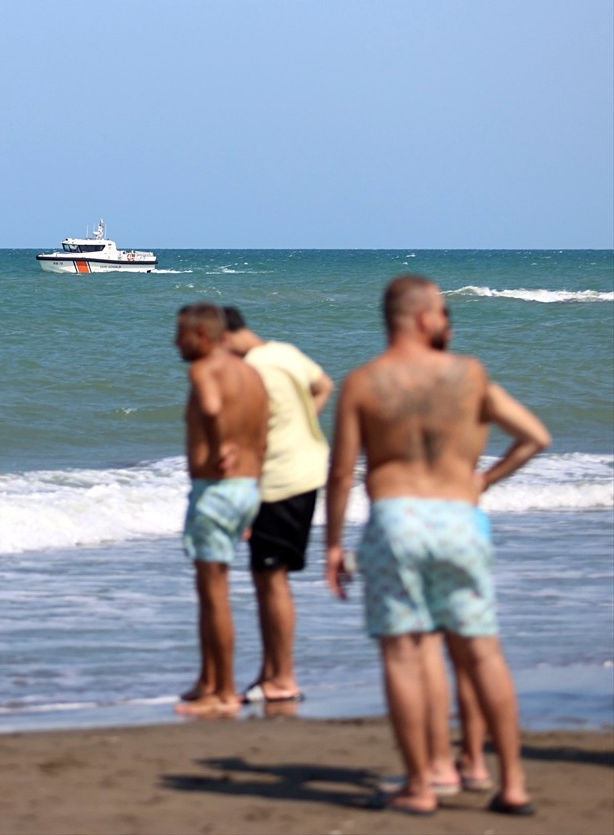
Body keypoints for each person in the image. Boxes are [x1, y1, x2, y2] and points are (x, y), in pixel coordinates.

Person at [325, 275, 550, 816]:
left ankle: (422, 785)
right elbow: (534, 438)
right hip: (458, 519)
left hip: (396, 521)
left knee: (404, 655)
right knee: (482, 651)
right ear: (425, 317)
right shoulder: (469, 374)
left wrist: (333, 544)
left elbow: (341, 474)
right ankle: (513, 784)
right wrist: (485, 480)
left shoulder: (363, 382)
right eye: (444, 311)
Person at [218, 306, 334, 706]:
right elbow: (325, 386)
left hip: (278, 482)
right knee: (269, 576)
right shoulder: (284, 352)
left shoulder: (252, 369)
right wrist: (301, 427)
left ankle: (283, 679)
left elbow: (249, 437)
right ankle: (271, 674)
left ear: (225, 337)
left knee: (272, 579)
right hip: (306, 472)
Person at [173, 303, 269, 718]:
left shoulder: (204, 370)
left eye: (181, 334)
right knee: (213, 589)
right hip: (247, 487)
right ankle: (208, 681)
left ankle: (225, 692)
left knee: (214, 594)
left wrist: (218, 446)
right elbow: (264, 436)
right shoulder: (252, 373)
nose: (175, 343)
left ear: (202, 335)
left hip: (216, 488)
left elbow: (211, 409)